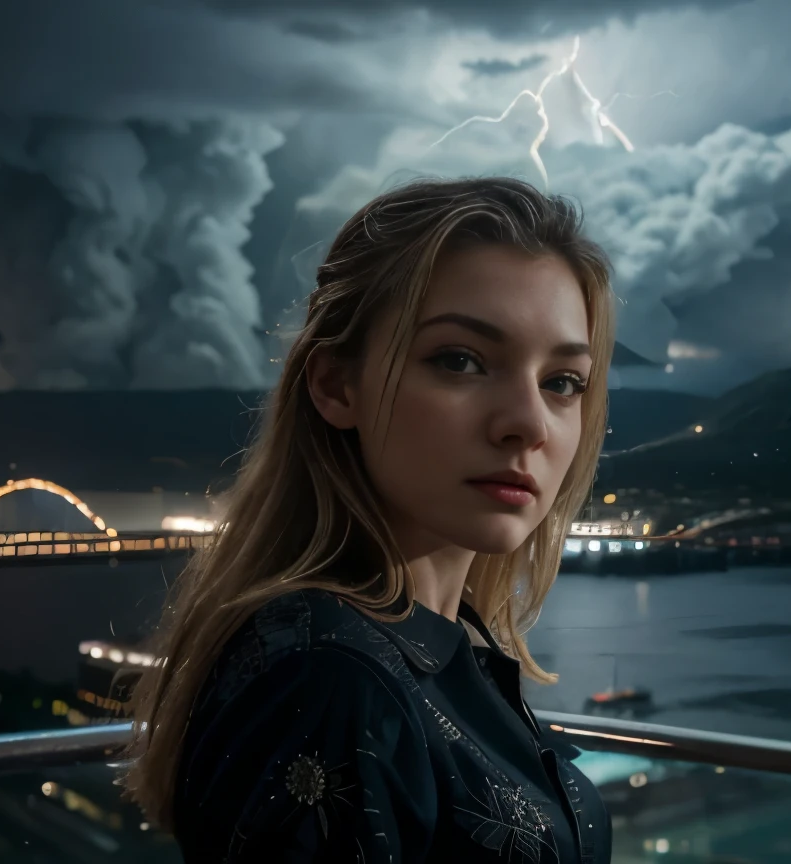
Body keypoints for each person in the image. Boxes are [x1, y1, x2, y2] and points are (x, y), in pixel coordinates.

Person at [124, 175, 617, 863]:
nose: (529, 425)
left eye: (563, 381)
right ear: (334, 384)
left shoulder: (438, 645)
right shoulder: (329, 676)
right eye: (461, 361)